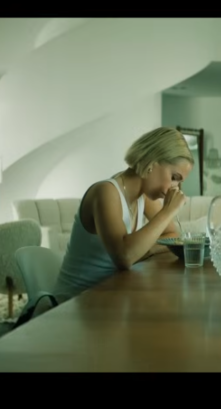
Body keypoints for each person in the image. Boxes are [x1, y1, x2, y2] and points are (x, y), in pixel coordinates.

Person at [53, 127, 193, 302]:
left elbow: (172, 236)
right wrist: (169, 210)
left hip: (109, 298)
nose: (175, 188)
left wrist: (143, 250)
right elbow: (125, 257)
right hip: (73, 305)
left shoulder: (143, 197)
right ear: (152, 163)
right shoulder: (105, 192)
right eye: (174, 177)